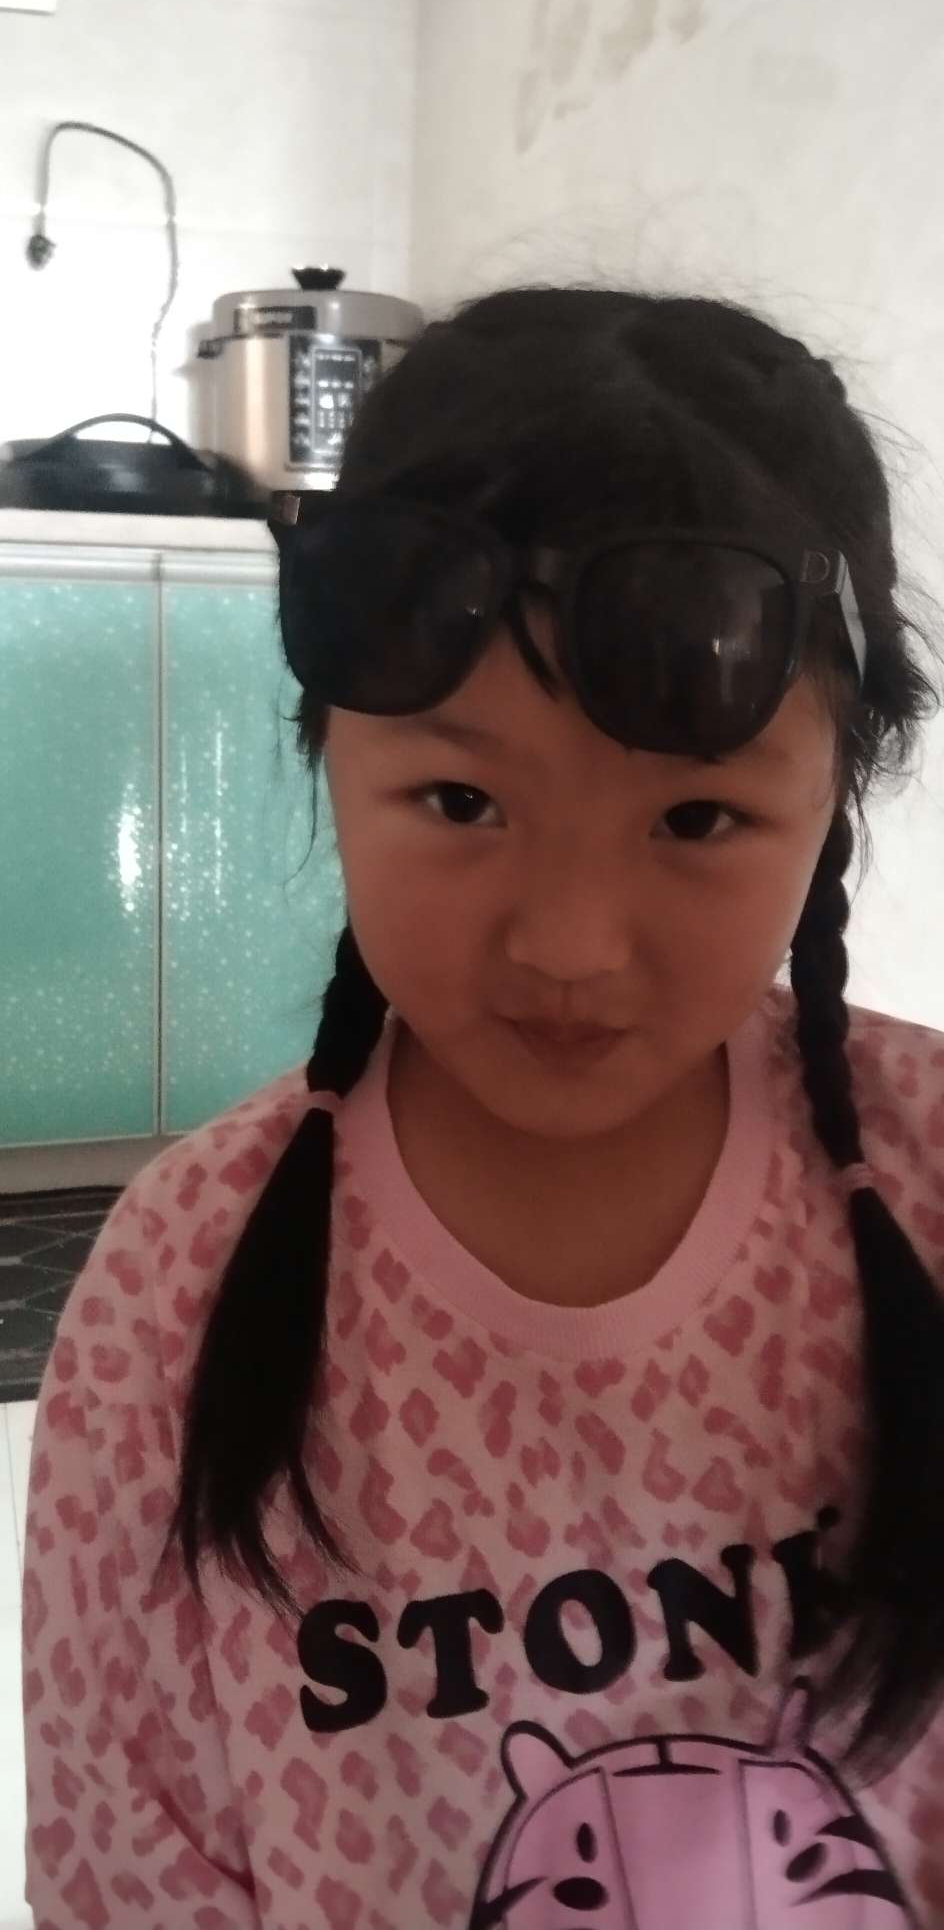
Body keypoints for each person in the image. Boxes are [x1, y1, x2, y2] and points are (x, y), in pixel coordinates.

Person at [21, 286, 944, 1929]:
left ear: (836, 804)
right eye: (462, 798)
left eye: (697, 821)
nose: (569, 945)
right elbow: (128, 1850)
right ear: (325, 755)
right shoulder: (178, 1287)